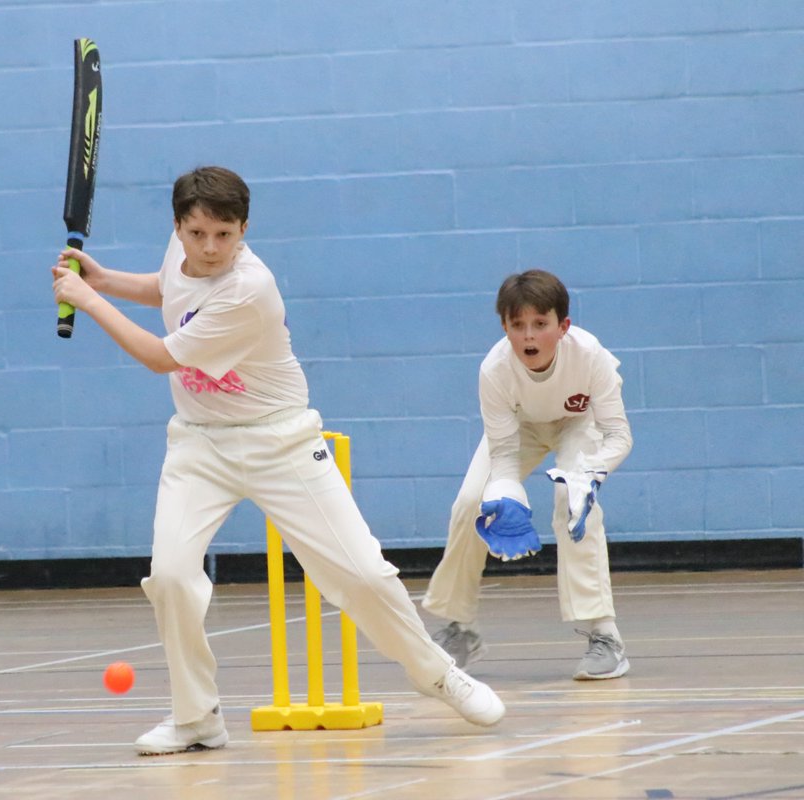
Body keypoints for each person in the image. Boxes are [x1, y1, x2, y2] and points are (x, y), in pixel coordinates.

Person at [51, 166, 505, 756]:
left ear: (244, 229)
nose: (209, 248)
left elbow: (161, 357)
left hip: (280, 441)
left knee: (362, 574)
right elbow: (169, 288)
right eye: (197, 234)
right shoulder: (182, 252)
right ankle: (196, 717)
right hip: (199, 444)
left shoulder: (249, 289)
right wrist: (105, 279)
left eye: (224, 235)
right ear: (178, 227)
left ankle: (439, 675)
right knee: (170, 578)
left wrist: (87, 301)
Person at [422, 269, 634, 681]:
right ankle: (459, 628)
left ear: (563, 326)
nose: (529, 336)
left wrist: (590, 476)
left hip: (578, 424)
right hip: (522, 427)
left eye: (540, 324)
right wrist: (505, 496)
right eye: (518, 325)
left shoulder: (590, 356)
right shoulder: (495, 370)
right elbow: (503, 455)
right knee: (471, 502)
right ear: (505, 327)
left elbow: (619, 435)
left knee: (573, 502)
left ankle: (605, 636)